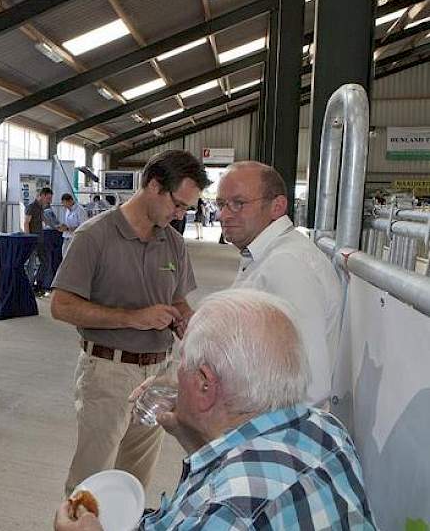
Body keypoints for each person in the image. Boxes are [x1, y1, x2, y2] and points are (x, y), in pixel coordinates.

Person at [53, 289, 375, 530]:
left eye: (183, 365)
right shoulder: (326, 431)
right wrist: (191, 430)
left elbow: (226, 500)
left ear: (206, 383)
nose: (175, 375)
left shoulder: (230, 511)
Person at [51, 149, 210, 493]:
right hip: (109, 373)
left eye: (187, 208)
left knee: (134, 482)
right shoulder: (94, 236)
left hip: (158, 375)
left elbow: (178, 299)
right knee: (90, 481)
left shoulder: (174, 243)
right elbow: (61, 306)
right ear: (154, 186)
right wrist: (131, 318)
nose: (181, 214)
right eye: (178, 205)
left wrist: (187, 321)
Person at [217, 161, 342, 406]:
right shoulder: (264, 255)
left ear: (277, 206)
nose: (224, 215)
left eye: (238, 203)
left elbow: (311, 383)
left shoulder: (287, 263)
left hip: (274, 431)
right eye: (221, 204)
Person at [24, 187, 53, 296]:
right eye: (48, 198)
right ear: (42, 195)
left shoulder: (42, 207)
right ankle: (30, 287)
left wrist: (56, 226)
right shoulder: (31, 207)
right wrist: (28, 238)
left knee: (45, 262)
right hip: (32, 239)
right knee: (31, 264)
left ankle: (38, 284)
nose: (49, 200)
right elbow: (26, 222)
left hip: (40, 239)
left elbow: (44, 221)